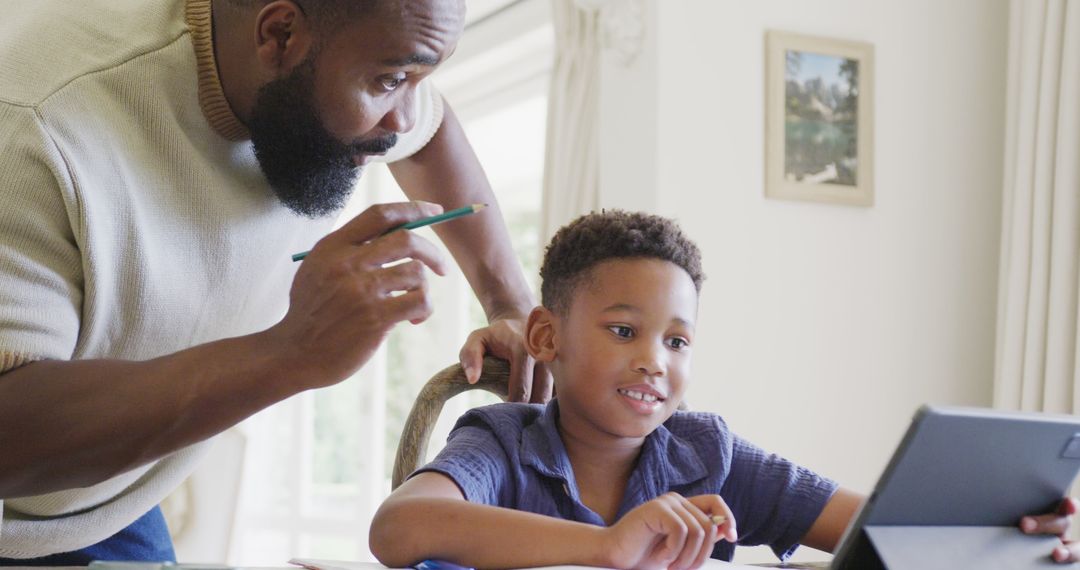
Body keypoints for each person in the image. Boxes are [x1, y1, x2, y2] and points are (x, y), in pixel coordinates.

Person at [0, 0, 547, 563]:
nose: (403, 119)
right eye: (390, 81)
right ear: (280, 33)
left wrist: (509, 303)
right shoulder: (34, 126)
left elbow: (430, 133)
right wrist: (289, 353)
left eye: (418, 80)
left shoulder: (348, 43)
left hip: (114, 495)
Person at [370, 210, 1080, 568]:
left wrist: (1009, 527)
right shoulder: (504, 443)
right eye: (624, 331)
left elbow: (877, 526)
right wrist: (608, 547)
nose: (655, 362)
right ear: (547, 339)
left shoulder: (706, 452)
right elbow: (397, 527)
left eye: (677, 342)